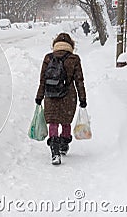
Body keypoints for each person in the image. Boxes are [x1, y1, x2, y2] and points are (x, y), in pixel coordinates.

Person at [35, 33, 87, 165]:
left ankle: (55, 152)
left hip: (51, 95)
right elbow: (79, 81)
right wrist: (82, 98)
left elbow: (42, 80)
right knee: (65, 121)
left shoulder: (48, 58)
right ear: (71, 45)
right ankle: (64, 145)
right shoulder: (74, 59)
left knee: (53, 122)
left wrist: (39, 97)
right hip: (68, 96)